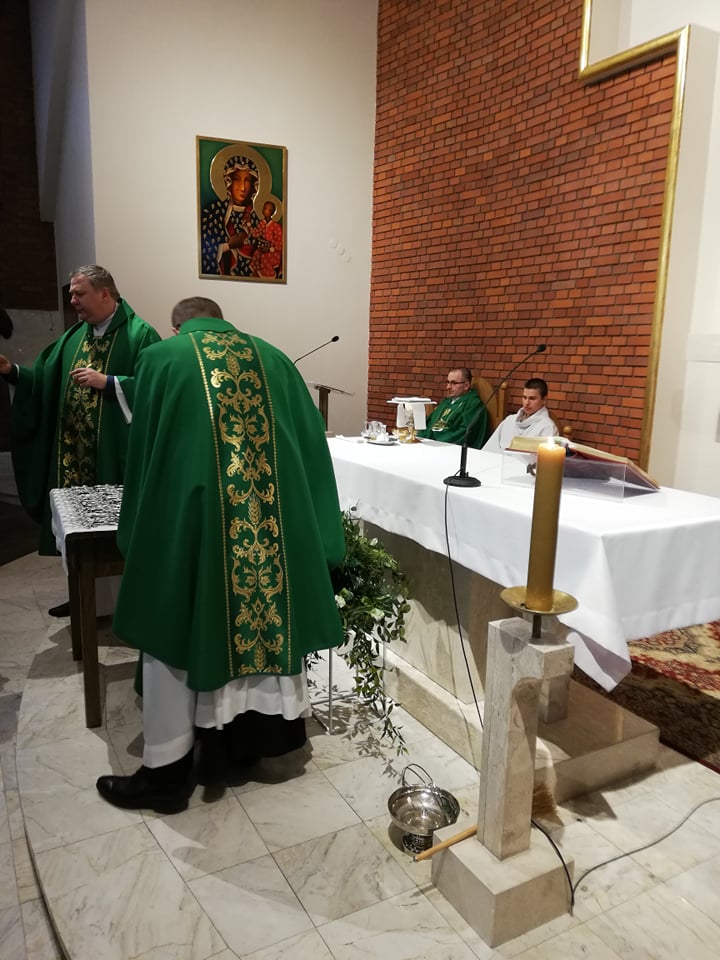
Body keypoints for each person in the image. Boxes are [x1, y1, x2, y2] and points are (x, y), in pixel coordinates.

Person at [96, 297, 345, 813]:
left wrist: (140, 523)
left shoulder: (161, 359)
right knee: (261, 630)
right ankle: (241, 747)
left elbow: (145, 451)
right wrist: (317, 534)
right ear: (222, 319)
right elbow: (310, 451)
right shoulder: (274, 359)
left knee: (175, 626)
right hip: (269, 530)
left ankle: (165, 774)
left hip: (192, 524)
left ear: (178, 326)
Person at [0, 265, 160, 614]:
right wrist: (11, 371)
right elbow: (44, 381)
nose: (72, 301)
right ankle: (84, 598)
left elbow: (157, 388)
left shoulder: (140, 334)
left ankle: (124, 604)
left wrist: (110, 382)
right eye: (72, 294)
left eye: (79, 293)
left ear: (104, 293)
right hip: (72, 455)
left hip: (115, 455)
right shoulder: (74, 337)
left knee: (115, 533)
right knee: (78, 532)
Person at [200, 155, 261, 277]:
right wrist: (228, 246)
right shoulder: (214, 211)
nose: (242, 188)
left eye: (248, 180)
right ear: (228, 181)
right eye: (237, 179)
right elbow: (205, 251)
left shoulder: (258, 217)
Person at [416, 367, 488, 447]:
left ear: (466, 386)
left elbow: (465, 432)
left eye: (453, 383)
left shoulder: (474, 405)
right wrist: (420, 437)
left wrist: (434, 438)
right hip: (430, 444)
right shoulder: (446, 402)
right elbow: (429, 424)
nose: (448, 387)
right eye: (448, 382)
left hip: (451, 448)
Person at [482, 377, 558, 452]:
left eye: (532, 398)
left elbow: (545, 457)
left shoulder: (548, 427)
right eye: (524, 397)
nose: (527, 403)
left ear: (544, 400)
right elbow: (489, 449)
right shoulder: (510, 420)